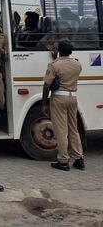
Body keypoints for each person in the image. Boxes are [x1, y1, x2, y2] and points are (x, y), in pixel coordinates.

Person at [43, 40, 84, 172]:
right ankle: (79, 159)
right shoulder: (77, 64)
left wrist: (45, 101)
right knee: (73, 129)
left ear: (59, 50)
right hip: (73, 97)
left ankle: (63, 160)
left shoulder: (54, 65)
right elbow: (66, 66)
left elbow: (47, 85)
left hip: (59, 98)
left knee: (61, 130)